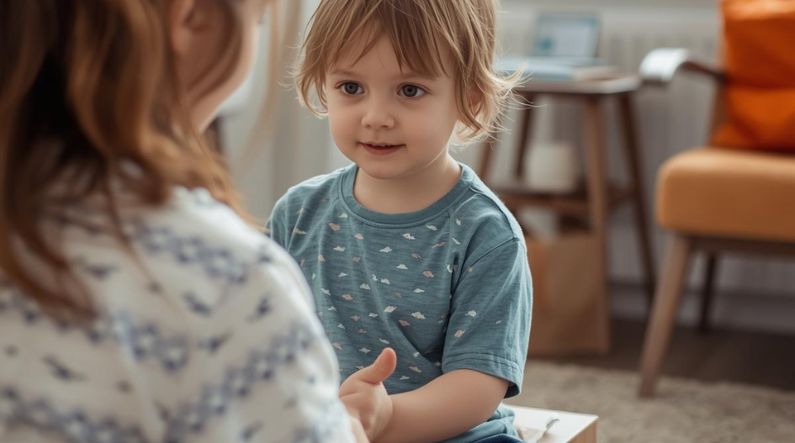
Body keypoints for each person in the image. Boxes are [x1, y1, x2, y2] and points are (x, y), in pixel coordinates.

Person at [0, 0, 387, 441]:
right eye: (258, 19)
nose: (376, 119)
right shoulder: (226, 283)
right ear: (189, 17)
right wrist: (349, 428)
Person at [266, 1, 533, 442]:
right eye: (351, 87)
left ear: (469, 96)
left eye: (409, 90)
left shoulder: (487, 235)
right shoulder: (296, 214)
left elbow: (477, 386)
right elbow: (267, 341)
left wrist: (384, 417)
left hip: (449, 434)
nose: (376, 117)